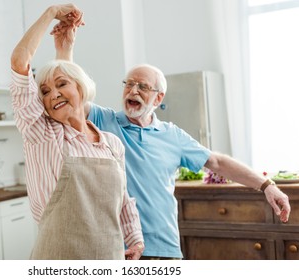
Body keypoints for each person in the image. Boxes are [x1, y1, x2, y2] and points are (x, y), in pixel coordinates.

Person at [50, 10, 291, 260]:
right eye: (129, 84)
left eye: (142, 87)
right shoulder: (104, 120)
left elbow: (217, 162)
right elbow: (72, 98)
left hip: (165, 248)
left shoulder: (172, 135)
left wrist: (266, 185)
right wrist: (64, 49)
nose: (133, 90)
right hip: (116, 248)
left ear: (159, 97)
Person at [10, 4, 144, 260]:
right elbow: (19, 62)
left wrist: (135, 238)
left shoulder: (112, 144)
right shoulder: (43, 135)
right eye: (45, 92)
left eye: (62, 85)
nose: (54, 94)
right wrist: (51, 13)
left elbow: (123, 200)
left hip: (109, 257)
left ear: (82, 89)